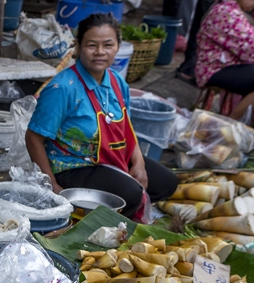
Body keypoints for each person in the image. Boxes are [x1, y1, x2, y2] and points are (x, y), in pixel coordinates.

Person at [26, 14, 179, 218]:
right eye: (91, 45)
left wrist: (139, 163)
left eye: (108, 45)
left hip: (112, 158)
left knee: (167, 183)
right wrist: (52, 185)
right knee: (130, 195)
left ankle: (118, 205)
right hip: (75, 166)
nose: (100, 52)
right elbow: (33, 138)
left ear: (117, 46)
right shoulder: (62, 88)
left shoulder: (116, 82)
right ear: (78, 46)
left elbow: (126, 129)